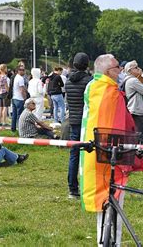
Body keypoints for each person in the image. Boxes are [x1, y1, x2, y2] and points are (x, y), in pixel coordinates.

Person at [79, 54, 140, 245]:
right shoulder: (109, 92)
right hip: (108, 155)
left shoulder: (93, 87)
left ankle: (104, 240)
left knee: (104, 203)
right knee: (111, 201)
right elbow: (117, 127)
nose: (120, 71)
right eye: (117, 68)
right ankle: (111, 242)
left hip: (93, 151)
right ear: (108, 71)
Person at [64, 52, 92, 199]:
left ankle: (72, 188)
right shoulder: (89, 81)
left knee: (74, 155)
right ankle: (88, 186)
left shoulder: (68, 81)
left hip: (73, 120)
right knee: (90, 153)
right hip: (86, 121)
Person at [124, 60, 143, 145]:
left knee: (139, 134)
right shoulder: (133, 81)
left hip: (134, 109)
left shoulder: (129, 80)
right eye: (136, 67)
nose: (139, 69)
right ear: (130, 70)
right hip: (138, 110)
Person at [11, 66, 27, 132]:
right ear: (18, 71)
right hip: (19, 99)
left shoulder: (16, 77)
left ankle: (13, 128)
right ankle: (20, 130)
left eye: (23, 70)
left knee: (14, 115)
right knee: (20, 116)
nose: (23, 71)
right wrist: (24, 98)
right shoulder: (20, 78)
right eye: (22, 70)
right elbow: (22, 90)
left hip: (14, 98)